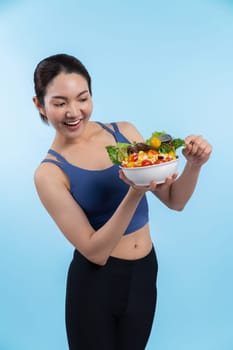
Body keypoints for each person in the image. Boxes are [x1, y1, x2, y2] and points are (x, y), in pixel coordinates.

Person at [32, 53, 212, 350]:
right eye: (59, 103)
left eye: (82, 98)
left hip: (144, 272)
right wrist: (135, 191)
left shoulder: (124, 133)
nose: (74, 111)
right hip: (95, 285)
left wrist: (194, 165)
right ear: (39, 105)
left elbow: (175, 200)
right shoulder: (49, 173)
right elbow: (95, 252)